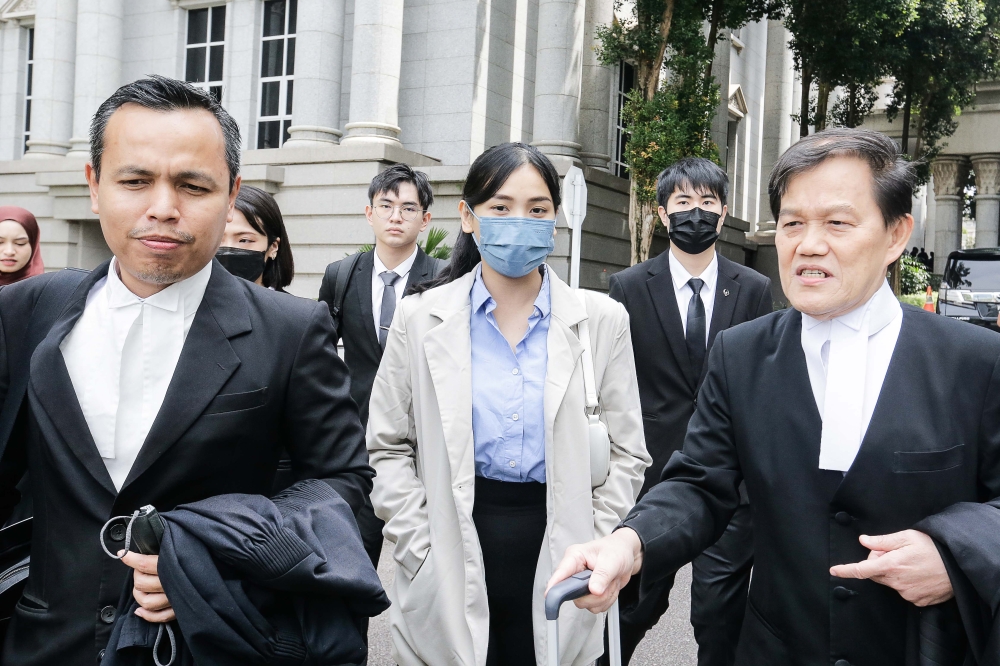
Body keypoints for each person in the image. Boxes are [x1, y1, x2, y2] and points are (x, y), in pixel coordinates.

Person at [547, 128, 1000, 665]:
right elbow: (700, 484)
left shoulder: (975, 361)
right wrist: (628, 542)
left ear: (896, 234)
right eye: (792, 223)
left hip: (922, 646)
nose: (809, 243)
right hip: (776, 645)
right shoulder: (740, 355)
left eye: (837, 222)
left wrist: (954, 553)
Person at [0, 76, 372, 666]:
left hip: (209, 643)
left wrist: (214, 565)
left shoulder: (291, 329)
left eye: (193, 185)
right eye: (136, 180)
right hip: (45, 642)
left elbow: (342, 489)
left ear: (231, 194)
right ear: (94, 186)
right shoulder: (25, 312)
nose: (163, 208)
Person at [366, 142, 650, 666]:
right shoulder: (420, 318)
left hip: (564, 541)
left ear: (555, 219)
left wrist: (597, 538)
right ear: (469, 218)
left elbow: (628, 453)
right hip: (449, 539)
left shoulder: (601, 320)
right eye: (500, 207)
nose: (520, 221)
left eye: (537, 209)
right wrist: (417, 545)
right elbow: (387, 445)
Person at [605, 158, 772, 666]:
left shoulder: (754, 288)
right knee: (635, 604)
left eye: (706, 203)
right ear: (661, 213)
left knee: (719, 615)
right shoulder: (628, 287)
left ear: (723, 215)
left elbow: (762, 381)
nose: (694, 213)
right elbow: (616, 383)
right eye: (682, 203)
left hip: (729, 480)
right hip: (653, 476)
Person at [317, 163, 446, 568]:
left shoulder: (444, 280)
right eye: (386, 205)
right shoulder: (340, 275)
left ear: (425, 219)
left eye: (408, 208)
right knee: (352, 555)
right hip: (355, 441)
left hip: (422, 440)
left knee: (427, 556)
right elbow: (319, 355)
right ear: (368, 212)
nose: (396, 216)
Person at [216, 184, 294, 291]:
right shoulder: (189, 305)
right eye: (218, 239)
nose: (228, 248)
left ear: (273, 247)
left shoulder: (294, 307)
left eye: (244, 240)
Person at [0, 207, 44, 286]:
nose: (9, 251)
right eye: (0, 242)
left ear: (33, 245)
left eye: (20, 243)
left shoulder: (46, 292)